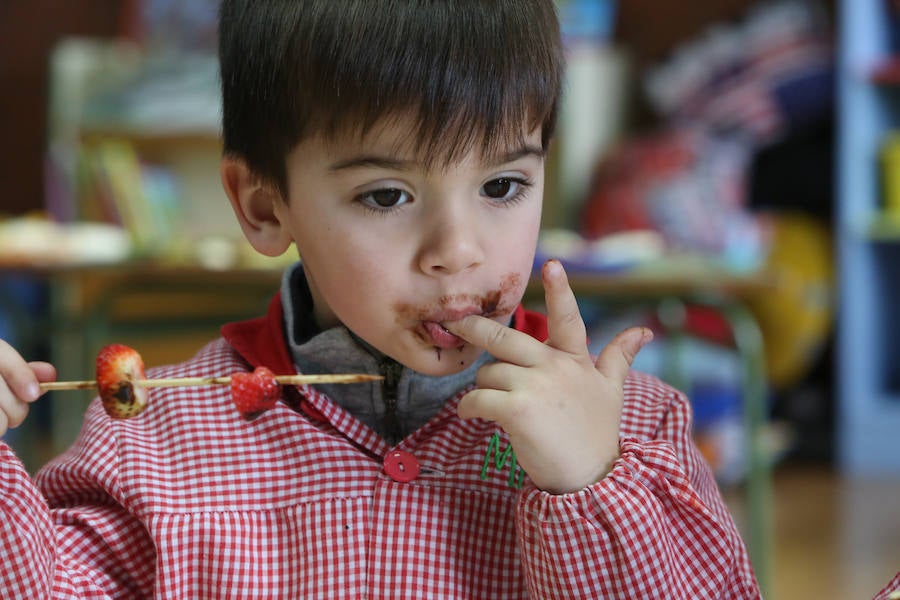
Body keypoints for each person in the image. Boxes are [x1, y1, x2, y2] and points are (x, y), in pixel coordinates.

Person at [0, 1, 762, 597]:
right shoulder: (153, 448)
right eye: (387, 194)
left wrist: (593, 485)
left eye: (502, 186)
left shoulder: (633, 435)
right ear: (265, 207)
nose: (459, 250)